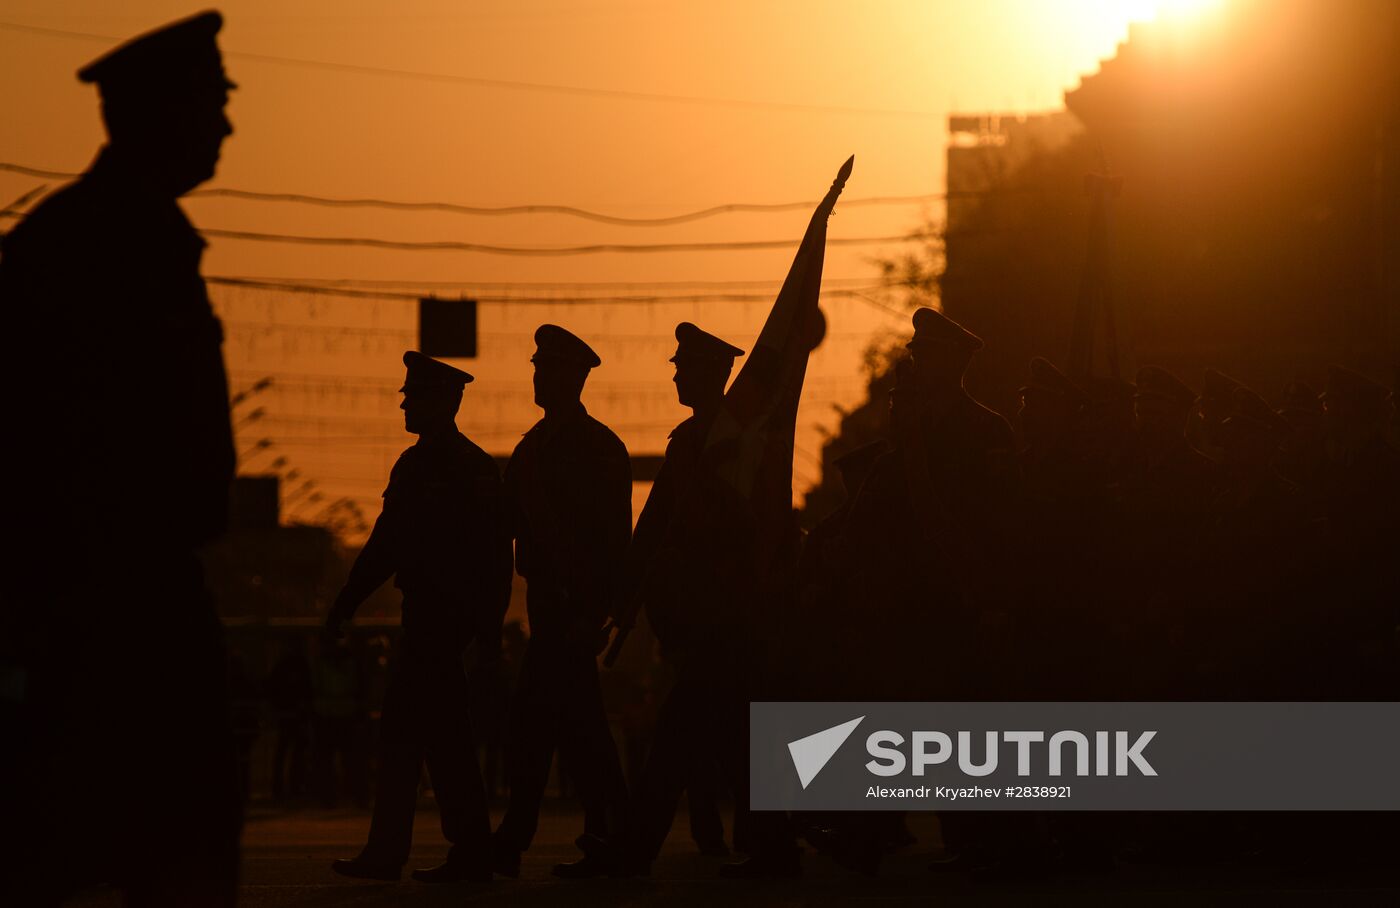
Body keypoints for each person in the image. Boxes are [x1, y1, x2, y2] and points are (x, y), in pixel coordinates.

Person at [0, 12, 241, 906]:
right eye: (213, 102)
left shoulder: (117, 238)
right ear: (160, 112)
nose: (225, 125)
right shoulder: (100, 247)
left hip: (114, 610)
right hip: (108, 616)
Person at [324, 352, 512, 884]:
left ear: (443, 402)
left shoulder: (471, 469)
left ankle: (402, 852)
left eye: (415, 396)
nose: (405, 404)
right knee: (433, 738)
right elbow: (386, 544)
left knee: (420, 737)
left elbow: (496, 560)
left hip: (445, 624)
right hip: (423, 620)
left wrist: (489, 633)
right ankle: (454, 851)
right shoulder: (413, 466)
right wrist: (348, 600)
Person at [491, 326, 632, 879]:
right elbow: (505, 518)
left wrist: (598, 609)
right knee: (567, 725)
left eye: (548, 369)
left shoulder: (597, 447)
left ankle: (526, 841)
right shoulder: (532, 446)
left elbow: (611, 539)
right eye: (536, 367)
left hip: (574, 607)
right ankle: (608, 835)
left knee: (553, 726)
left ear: (574, 378)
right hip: (548, 605)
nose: (537, 377)